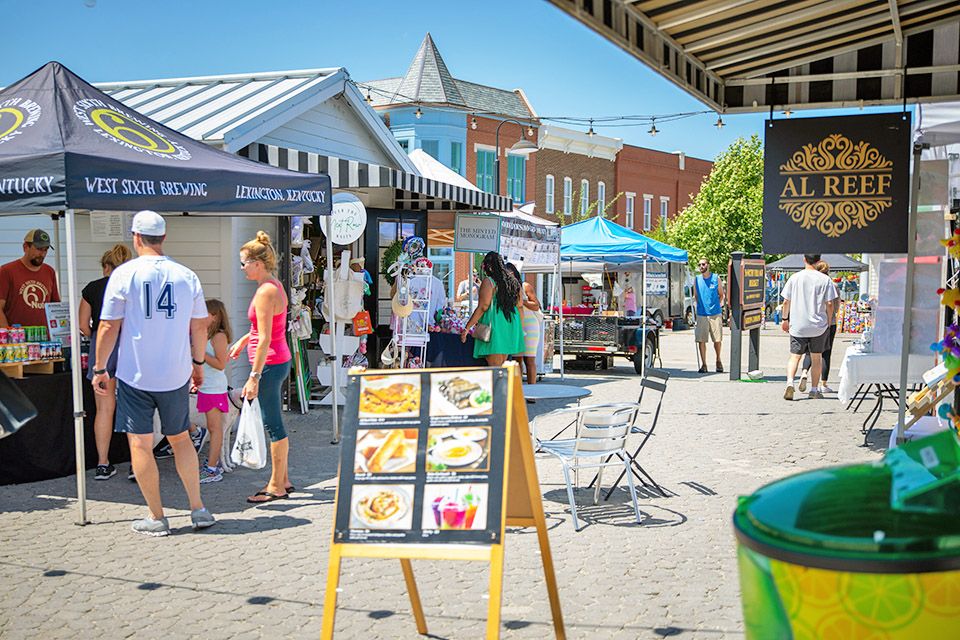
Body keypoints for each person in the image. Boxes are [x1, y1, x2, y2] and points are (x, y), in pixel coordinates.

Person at [93, 210, 215, 536]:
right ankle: (198, 508)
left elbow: (107, 326)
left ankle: (157, 517)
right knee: (181, 440)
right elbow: (200, 325)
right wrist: (198, 363)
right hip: (175, 373)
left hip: (136, 374)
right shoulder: (186, 275)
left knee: (141, 445)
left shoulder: (124, 274)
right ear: (164, 237)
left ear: (135, 237)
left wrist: (100, 367)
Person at [229, 231, 294, 503]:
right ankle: (284, 479)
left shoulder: (267, 291)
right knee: (274, 421)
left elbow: (266, 336)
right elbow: (264, 328)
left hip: (269, 363)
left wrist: (254, 376)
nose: (242, 268)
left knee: (273, 424)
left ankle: (276, 486)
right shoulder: (273, 286)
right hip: (276, 359)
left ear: (258, 263)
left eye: (244, 263)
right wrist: (245, 340)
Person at [79, 243, 132, 481]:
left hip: (103, 350)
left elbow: (83, 325)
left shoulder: (92, 288)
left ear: (105, 267)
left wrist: (97, 337)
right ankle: (136, 464)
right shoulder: (133, 288)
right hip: (131, 349)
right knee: (135, 408)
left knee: (104, 409)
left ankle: (102, 464)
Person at [781, 254, 838, 401]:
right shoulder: (826, 280)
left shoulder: (795, 278)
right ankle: (814, 390)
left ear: (804, 259)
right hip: (818, 325)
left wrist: (784, 319)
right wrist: (829, 318)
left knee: (795, 356)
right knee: (816, 357)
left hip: (798, 324)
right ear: (819, 261)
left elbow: (786, 301)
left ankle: (789, 383)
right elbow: (830, 303)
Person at [461, 252, 525, 366]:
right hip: (511, 323)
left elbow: (483, 307)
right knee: (501, 363)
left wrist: (467, 328)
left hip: (495, 322)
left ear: (489, 266)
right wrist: (521, 329)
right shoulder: (514, 282)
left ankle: (498, 384)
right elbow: (519, 305)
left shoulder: (489, 281)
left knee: (495, 367)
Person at [197, 299, 232, 484]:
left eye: (206, 313)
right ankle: (211, 463)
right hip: (205, 387)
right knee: (210, 427)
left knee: (215, 428)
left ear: (216, 315)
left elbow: (220, 364)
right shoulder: (206, 334)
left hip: (214, 388)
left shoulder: (219, 336)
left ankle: (212, 468)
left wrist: (201, 354)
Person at [0, 229, 61, 328]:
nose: (42, 254)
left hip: (44, 339)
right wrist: (8, 335)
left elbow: (55, 307)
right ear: (25, 247)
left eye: (45, 249)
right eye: (39, 249)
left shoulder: (49, 271)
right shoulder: (7, 271)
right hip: (17, 340)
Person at [798, 262, 840, 394]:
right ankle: (823, 384)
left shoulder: (809, 283)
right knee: (826, 353)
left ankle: (804, 372)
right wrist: (829, 319)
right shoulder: (832, 285)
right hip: (828, 322)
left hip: (810, 321)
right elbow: (834, 306)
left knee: (810, 351)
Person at [505, 262, 541, 384]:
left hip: (530, 324)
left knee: (529, 360)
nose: (509, 277)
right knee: (516, 360)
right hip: (515, 326)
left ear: (515, 274)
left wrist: (521, 300)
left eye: (511, 274)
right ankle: (520, 392)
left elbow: (536, 305)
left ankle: (533, 393)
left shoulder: (525, 286)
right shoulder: (504, 289)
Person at [693, 258, 725, 374]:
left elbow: (721, 295)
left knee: (717, 340)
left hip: (715, 313)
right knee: (701, 340)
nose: (701, 266)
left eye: (703, 264)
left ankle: (718, 360)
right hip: (701, 314)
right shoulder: (696, 279)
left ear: (708, 265)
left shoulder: (716, 278)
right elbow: (696, 296)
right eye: (699, 264)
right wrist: (701, 306)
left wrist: (717, 306)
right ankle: (704, 364)